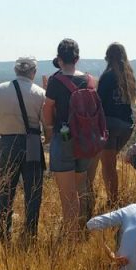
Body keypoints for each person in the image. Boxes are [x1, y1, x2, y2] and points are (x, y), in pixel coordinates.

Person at [0, 56, 46, 244]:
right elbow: (48, 124)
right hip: (33, 143)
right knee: (33, 190)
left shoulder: (0, 90)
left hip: (7, 142)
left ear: (15, 70)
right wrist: (46, 139)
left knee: (5, 190)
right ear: (33, 72)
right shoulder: (40, 93)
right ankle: (30, 234)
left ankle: (3, 235)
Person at [43, 38, 98, 232]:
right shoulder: (90, 80)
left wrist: (49, 130)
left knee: (68, 195)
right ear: (77, 58)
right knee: (80, 187)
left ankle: (71, 237)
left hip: (64, 138)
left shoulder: (55, 81)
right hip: (86, 141)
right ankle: (83, 228)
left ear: (59, 59)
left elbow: (47, 108)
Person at [89, 43, 136, 206]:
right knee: (111, 162)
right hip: (126, 125)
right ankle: (114, 198)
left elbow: (98, 101)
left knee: (108, 165)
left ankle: (113, 201)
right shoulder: (128, 76)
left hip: (109, 124)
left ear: (108, 57)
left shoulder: (108, 76)